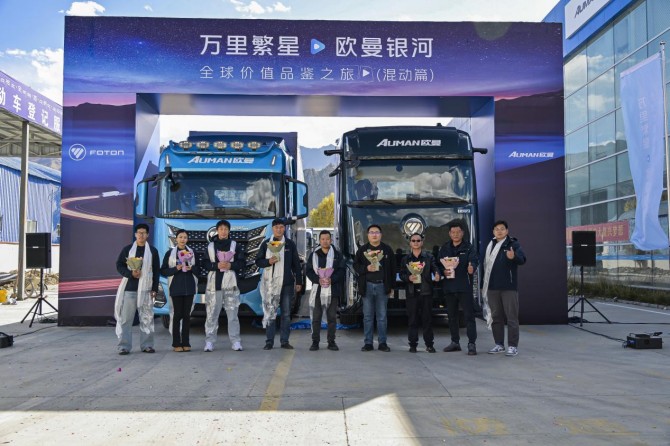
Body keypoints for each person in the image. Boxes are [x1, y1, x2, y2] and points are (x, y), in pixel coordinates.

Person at [255, 218, 303, 350]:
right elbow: (258, 261)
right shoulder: (266, 244)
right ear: (272, 229)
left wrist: (299, 281)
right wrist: (268, 261)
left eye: (281, 227)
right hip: (270, 285)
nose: (279, 229)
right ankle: (269, 341)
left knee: (286, 314)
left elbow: (296, 264)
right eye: (276, 227)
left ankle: (284, 341)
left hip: (287, 284)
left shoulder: (289, 244)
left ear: (284, 228)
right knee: (270, 312)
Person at [482, 220, 527, 357]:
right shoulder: (490, 245)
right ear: (493, 231)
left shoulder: (513, 244)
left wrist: (514, 257)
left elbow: (522, 260)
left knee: (512, 318)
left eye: (502, 229)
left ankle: (513, 346)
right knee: (496, 317)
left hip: (508, 288)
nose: (499, 231)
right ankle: (499, 344)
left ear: (507, 231)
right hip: (492, 287)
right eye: (496, 229)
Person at [114, 223, 160, 355]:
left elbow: (156, 271)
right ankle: (124, 346)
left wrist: (154, 289)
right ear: (135, 234)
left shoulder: (152, 251)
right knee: (126, 319)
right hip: (130, 290)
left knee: (147, 318)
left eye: (144, 233)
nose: (141, 235)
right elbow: (119, 265)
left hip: (146, 290)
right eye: (139, 233)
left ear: (148, 235)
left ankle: (147, 345)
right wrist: (130, 274)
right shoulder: (128, 249)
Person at [203, 219, 245, 352]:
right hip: (214, 286)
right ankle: (209, 342)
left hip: (231, 286)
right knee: (212, 315)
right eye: (221, 229)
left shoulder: (235, 245)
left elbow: (242, 263)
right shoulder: (210, 246)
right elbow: (204, 263)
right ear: (217, 231)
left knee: (233, 315)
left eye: (226, 229)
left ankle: (236, 341)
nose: (223, 231)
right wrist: (216, 265)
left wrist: (231, 265)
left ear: (229, 231)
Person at [438, 220, 479, 355]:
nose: (455, 234)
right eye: (453, 232)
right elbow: (438, 264)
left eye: (458, 232)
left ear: (462, 233)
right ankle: (455, 342)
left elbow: (474, 260)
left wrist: (472, 267)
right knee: (451, 317)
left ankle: (471, 344)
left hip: (464, 287)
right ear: (450, 234)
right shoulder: (445, 248)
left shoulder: (469, 247)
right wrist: (442, 272)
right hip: (449, 287)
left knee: (469, 316)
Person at [354, 224, 396, 352]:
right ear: (368, 235)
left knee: (382, 316)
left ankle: (382, 343)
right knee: (367, 317)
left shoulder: (387, 250)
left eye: (377, 232)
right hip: (367, 286)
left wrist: (392, 286)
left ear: (381, 235)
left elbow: (393, 269)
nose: (374, 235)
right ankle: (368, 343)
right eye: (371, 232)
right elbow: (356, 266)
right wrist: (366, 268)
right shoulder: (362, 250)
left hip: (382, 286)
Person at [399, 233, 441, 353]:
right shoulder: (405, 259)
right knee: (412, 320)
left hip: (426, 292)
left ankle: (429, 344)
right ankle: (413, 345)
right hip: (411, 293)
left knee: (427, 320)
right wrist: (408, 278)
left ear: (422, 242)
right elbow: (401, 274)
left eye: (418, 240)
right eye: (413, 240)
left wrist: (437, 274)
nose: (416, 242)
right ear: (410, 243)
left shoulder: (429, 257)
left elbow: (435, 268)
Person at [305, 230, 345, 351]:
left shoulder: (337, 255)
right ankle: (315, 342)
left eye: (327, 239)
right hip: (318, 290)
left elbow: (342, 271)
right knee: (316, 317)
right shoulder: (314, 255)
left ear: (331, 240)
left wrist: (332, 280)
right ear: (319, 240)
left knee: (332, 317)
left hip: (333, 290)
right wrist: (318, 280)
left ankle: (331, 341)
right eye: (322, 239)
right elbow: (308, 271)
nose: (325, 241)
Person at [160, 229, 199, 352]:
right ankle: (176, 343)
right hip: (176, 288)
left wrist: (191, 268)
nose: (183, 239)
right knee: (177, 315)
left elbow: (199, 270)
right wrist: (175, 269)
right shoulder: (170, 253)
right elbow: (163, 271)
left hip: (190, 288)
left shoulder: (192, 253)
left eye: (185, 237)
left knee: (187, 316)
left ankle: (186, 342)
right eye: (180, 237)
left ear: (187, 239)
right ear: (176, 239)